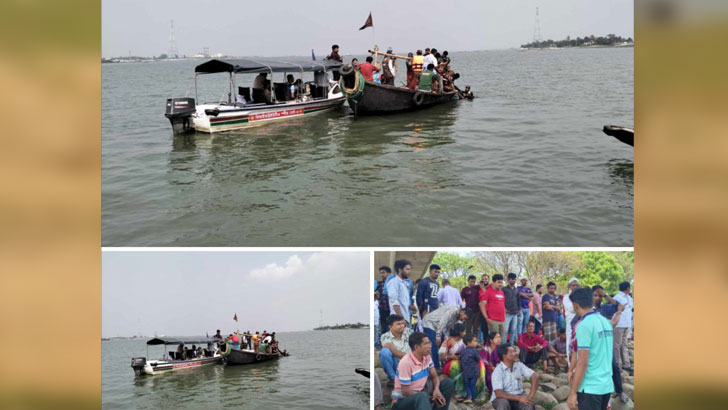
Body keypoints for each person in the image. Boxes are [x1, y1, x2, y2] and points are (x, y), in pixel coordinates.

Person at [566, 288, 614, 410]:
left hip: (590, 387)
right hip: (606, 384)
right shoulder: (605, 321)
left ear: (576, 304)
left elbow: (583, 362)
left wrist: (573, 392)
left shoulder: (584, 325)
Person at [391, 332, 455, 410]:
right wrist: (430, 398)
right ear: (417, 347)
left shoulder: (427, 357)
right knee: (422, 396)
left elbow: (434, 376)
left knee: (448, 383)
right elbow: (405, 391)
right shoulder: (406, 363)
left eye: (429, 343)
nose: (430, 346)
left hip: (421, 393)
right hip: (403, 401)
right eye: (426, 344)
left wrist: (436, 390)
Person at [592, 286, 629, 404]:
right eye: (594, 295)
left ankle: (620, 391)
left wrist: (605, 295)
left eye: (599, 295)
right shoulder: (585, 310)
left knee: (614, 367)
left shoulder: (604, 308)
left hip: (605, 345)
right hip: (591, 346)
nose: (597, 298)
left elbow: (619, 306)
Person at [421, 305, 472, 371]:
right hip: (429, 322)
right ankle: (436, 368)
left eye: (465, 320)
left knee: (443, 344)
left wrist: (446, 337)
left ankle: (440, 362)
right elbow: (443, 322)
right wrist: (438, 336)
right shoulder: (453, 310)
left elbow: (448, 327)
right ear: (462, 312)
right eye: (465, 318)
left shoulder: (457, 317)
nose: (463, 320)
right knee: (434, 345)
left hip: (437, 327)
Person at [490, 344, 540, 410]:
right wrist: (519, 398)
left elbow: (535, 376)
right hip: (503, 398)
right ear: (504, 356)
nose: (516, 353)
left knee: (528, 405)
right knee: (502, 403)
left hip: (519, 397)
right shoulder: (498, 371)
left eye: (515, 351)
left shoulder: (519, 365)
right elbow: (498, 393)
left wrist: (530, 396)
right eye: (512, 352)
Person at [380, 314, 414, 387]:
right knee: (384, 352)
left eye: (402, 323)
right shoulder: (385, 336)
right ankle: (393, 379)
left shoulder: (409, 332)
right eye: (398, 324)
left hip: (411, 364)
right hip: (397, 364)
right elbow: (395, 352)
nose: (402, 326)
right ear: (390, 326)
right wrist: (410, 357)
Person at [612, 281, 634, 372]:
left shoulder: (629, 298)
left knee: (624, 344)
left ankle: (626, 364)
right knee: (617, 345)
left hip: (627, 323)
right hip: (619, 324)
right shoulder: (617, 297)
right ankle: (617, 364)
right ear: (627, 288)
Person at [387, 259, 415, 326]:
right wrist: (401, 320)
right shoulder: (393, 282)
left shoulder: (405, 283)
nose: (409, 271)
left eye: (409, 269)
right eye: (407, 269)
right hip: (397, 321)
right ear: (400, 270)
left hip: (406, 319)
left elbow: (406, 303)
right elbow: (394, 303)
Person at [480, 274, 506, 343]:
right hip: (493, 320)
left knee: (501, 339)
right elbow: (482, 305)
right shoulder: (488, 292)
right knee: (494, 340)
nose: (500, 284)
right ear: (493, 282)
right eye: (498, 282)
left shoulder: (502, 292)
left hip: (502, 320)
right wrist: (486, 318)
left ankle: (499, 353)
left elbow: (502, 305)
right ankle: (491, 352)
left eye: (501, 282)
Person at [460, 334, 482, 405]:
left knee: (467, 385)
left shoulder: (463, 351)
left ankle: (468, 397)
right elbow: (478, 359)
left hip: (466, 372)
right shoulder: (475, 351)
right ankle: (473, 399)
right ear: (469, 342)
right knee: (473, 385)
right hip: (474, 372)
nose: (476, 343)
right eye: (475, 341)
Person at [502, 273, 521, 345]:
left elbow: (519, 300)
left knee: (513, 330)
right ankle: (504, 345)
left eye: (514, 279)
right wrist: (504, 308)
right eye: (512, 279)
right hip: (507, 313)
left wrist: (519, 310)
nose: (513, 281)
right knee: (505, 330)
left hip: (515, 313)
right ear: (508, 280)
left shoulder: (517, 290)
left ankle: (511, 344)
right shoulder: (504, 289)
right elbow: (501, 300)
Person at [478, 274, 492, 344]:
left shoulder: (491, 287)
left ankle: (491, 342)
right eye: (483, 279)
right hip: (482, 311)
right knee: (484, 328)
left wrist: (483, 289)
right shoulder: (479, 289)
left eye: (486, 279)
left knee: (492, 328)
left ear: (488, 279)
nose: (484, 280)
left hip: (490, 311)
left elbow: (489, 296)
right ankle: (485, 343)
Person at [379, 266, 393, 331]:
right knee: (384, 329)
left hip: (392, 308)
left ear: (389, 273)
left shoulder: (394, 283)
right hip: (382, 308)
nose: (382, 275)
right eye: (381, 273)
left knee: (392, 327)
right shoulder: (380, 284)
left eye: (383, 272)